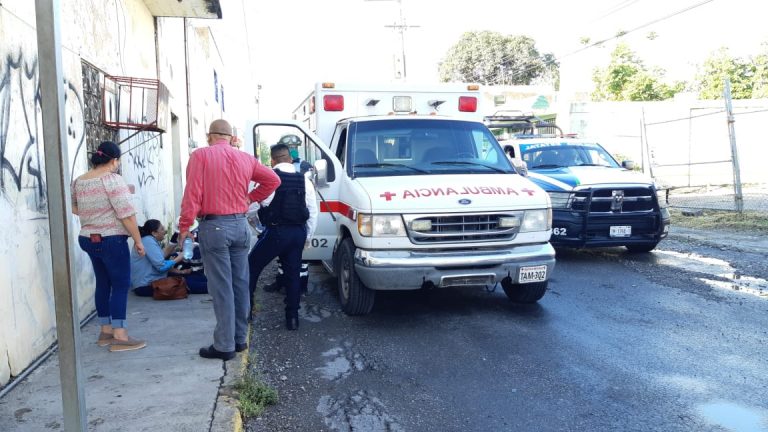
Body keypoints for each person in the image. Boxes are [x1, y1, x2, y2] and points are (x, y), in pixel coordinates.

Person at [178, 119, 280, 360]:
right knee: (240, 284)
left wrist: (185, 227)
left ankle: (224, 346)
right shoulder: (246, 158)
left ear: (209, 135)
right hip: (240, 226)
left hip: (214, 227)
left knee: (221, 287)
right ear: (231, 137)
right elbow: (274, 180)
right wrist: (250, 198)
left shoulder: (200, 156)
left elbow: (192, 193)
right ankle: (239, 339)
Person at [71, 140, 147, 352]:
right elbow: (127, 214)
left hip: (88, 238)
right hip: (111, 239)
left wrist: (94, 215)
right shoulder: (113, 180)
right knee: (121, 285)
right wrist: (138, 241)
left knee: (103, 283)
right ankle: (121, 336)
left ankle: (105, 332)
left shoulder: (79, 181)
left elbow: (75, 207)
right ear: (114, 160)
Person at [248, 141, 318, 330]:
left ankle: (246, 312)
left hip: (277, 232)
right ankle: (292, 319)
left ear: (272, 160)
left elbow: (252, 206)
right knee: (293, 274)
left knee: (251, 267)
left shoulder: (270, 178)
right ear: (290, 158)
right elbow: (312, 211)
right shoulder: (304, 180)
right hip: (298, 233)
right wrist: (308, 238)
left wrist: (257, 226)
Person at [262, 134, 313, 294]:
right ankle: (283, 283)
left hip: (295, 220)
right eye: (290, 146)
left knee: (299, 262)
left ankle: (300, 286)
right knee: (285, 260)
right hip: (290, 223)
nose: (293, 148)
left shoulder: (305, 167)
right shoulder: (298, 167)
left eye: (295, 145)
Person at [130, 219, 188, 296]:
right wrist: (182, 255)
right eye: (162, 229)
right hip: (146, 286)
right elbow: (161, 266)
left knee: (186, 278)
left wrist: (175, 238)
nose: (165, 231)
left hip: (148, 283)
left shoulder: (148, 240)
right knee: (187, 284)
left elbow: (160, 256)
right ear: (154, 233)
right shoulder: (148, 241)